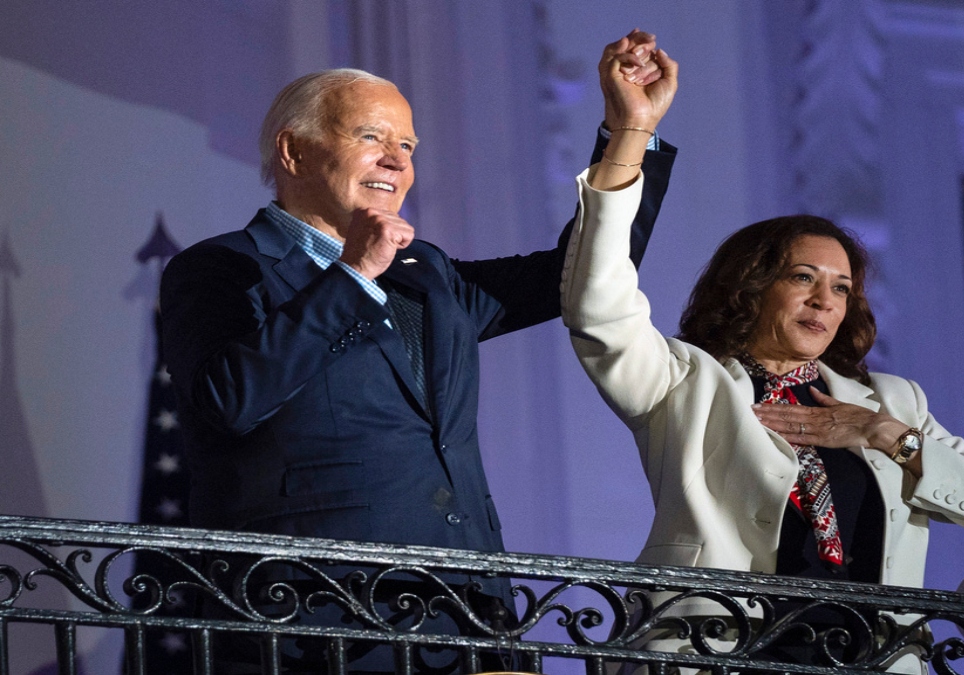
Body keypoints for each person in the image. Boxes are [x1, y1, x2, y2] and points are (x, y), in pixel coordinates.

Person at [160, 31, 676, 673]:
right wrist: (350, 277)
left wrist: (628, 132)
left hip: (468, 619)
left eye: (406, 146)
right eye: (372, 138)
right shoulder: (222, 269)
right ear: (293, 152)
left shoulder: (425, 273)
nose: (397, 161)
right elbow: (227, 401)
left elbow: (581, 275)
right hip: (316, 628)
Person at [562, 54, 964, 673]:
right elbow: (598, 308)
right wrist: (630, 133)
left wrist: (887, 437)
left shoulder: (894, 403)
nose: (825, 299)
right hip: (723, 657)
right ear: (752, 286)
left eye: (842, 287)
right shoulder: (687, 383)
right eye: (803, 277)